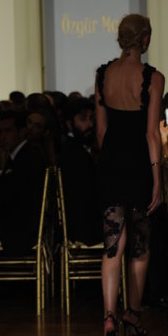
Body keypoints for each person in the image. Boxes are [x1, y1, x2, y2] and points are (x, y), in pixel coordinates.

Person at [95, 13, 164, 336]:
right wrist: (157, 178)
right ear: (145, 39)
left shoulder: (103, 74)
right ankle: (132, 313)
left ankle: (109, 317)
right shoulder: (153, 77)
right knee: (140, 244)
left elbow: (101, 130)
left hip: (110, 162)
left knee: (113, 243)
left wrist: (108, 162)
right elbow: (152, 133)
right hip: (138, 163)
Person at [0, 109, 46, 254]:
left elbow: (9, 195)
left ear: (22, 132)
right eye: (0, 132)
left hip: (20, 228)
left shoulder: (28, 157)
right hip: (15, 223)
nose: (3, 137)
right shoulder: (17, 156)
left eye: (8, 131)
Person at [59, 97, 102, 246]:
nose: (90, 124)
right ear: (69, 124)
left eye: (91, 118)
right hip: (84, 230)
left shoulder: (82, 149)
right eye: (83, 119)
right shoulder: (73, 155)